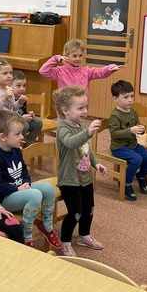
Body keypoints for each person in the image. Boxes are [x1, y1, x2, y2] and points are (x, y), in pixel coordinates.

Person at [0, 110, 61, 249]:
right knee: (35, 195)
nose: (22, 137)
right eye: (17, 134)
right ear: (3, 137)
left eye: (22, 133)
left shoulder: (15, 149)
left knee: (48, 189)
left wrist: (26, 182)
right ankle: (27, 236)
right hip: (4, 198)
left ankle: (47, 226)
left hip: (20, 190)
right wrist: (17, 188)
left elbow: (24, 171)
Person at [55, 85, 107, 255]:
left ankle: (84, 235)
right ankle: (65, 242)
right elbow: (71, 143)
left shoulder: (79, 125)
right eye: (80, 108)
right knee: (75, 213)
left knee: (88, 210)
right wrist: (88, 132)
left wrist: (96, 164)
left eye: (86, 107)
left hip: (85, 178)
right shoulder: (62, 128)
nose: (85, 111)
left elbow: (86, 149)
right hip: (69, 180)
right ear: (65, 111)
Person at [109, 80, 147, 202]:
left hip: (133, 145)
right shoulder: (115, 115)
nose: (130, 100)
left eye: (132, 96)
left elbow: (137, 127)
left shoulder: (133, 112)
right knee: (137, 159)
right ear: (115, 98)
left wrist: (141, 129)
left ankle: (141, 176)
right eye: (126, 97)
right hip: (119, 148)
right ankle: (126, 183)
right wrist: (130, 130)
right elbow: (114, 134)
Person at [39, 38, 120, 92]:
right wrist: (56, 58)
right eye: (74, 56)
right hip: (65, 107)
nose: (78, 58)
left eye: (80, 55)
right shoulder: (60, 71)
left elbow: (100, 72)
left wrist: (110, 68)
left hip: (81, 106)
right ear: (66, 55)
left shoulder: (86, 71)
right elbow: (43, 71)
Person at [12, 69, 43, 143]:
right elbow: (10, 115)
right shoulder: (9, 98)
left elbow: (22, 112)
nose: (22, 88)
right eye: (18, 86)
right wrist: (22, 118)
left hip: (21, 119)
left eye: (24, 86)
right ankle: (19, 143)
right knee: (25, 125)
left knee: (38, 122)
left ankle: (29, 142)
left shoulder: (23, 98)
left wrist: (30, 114)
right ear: (9, 86)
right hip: (12, 122)